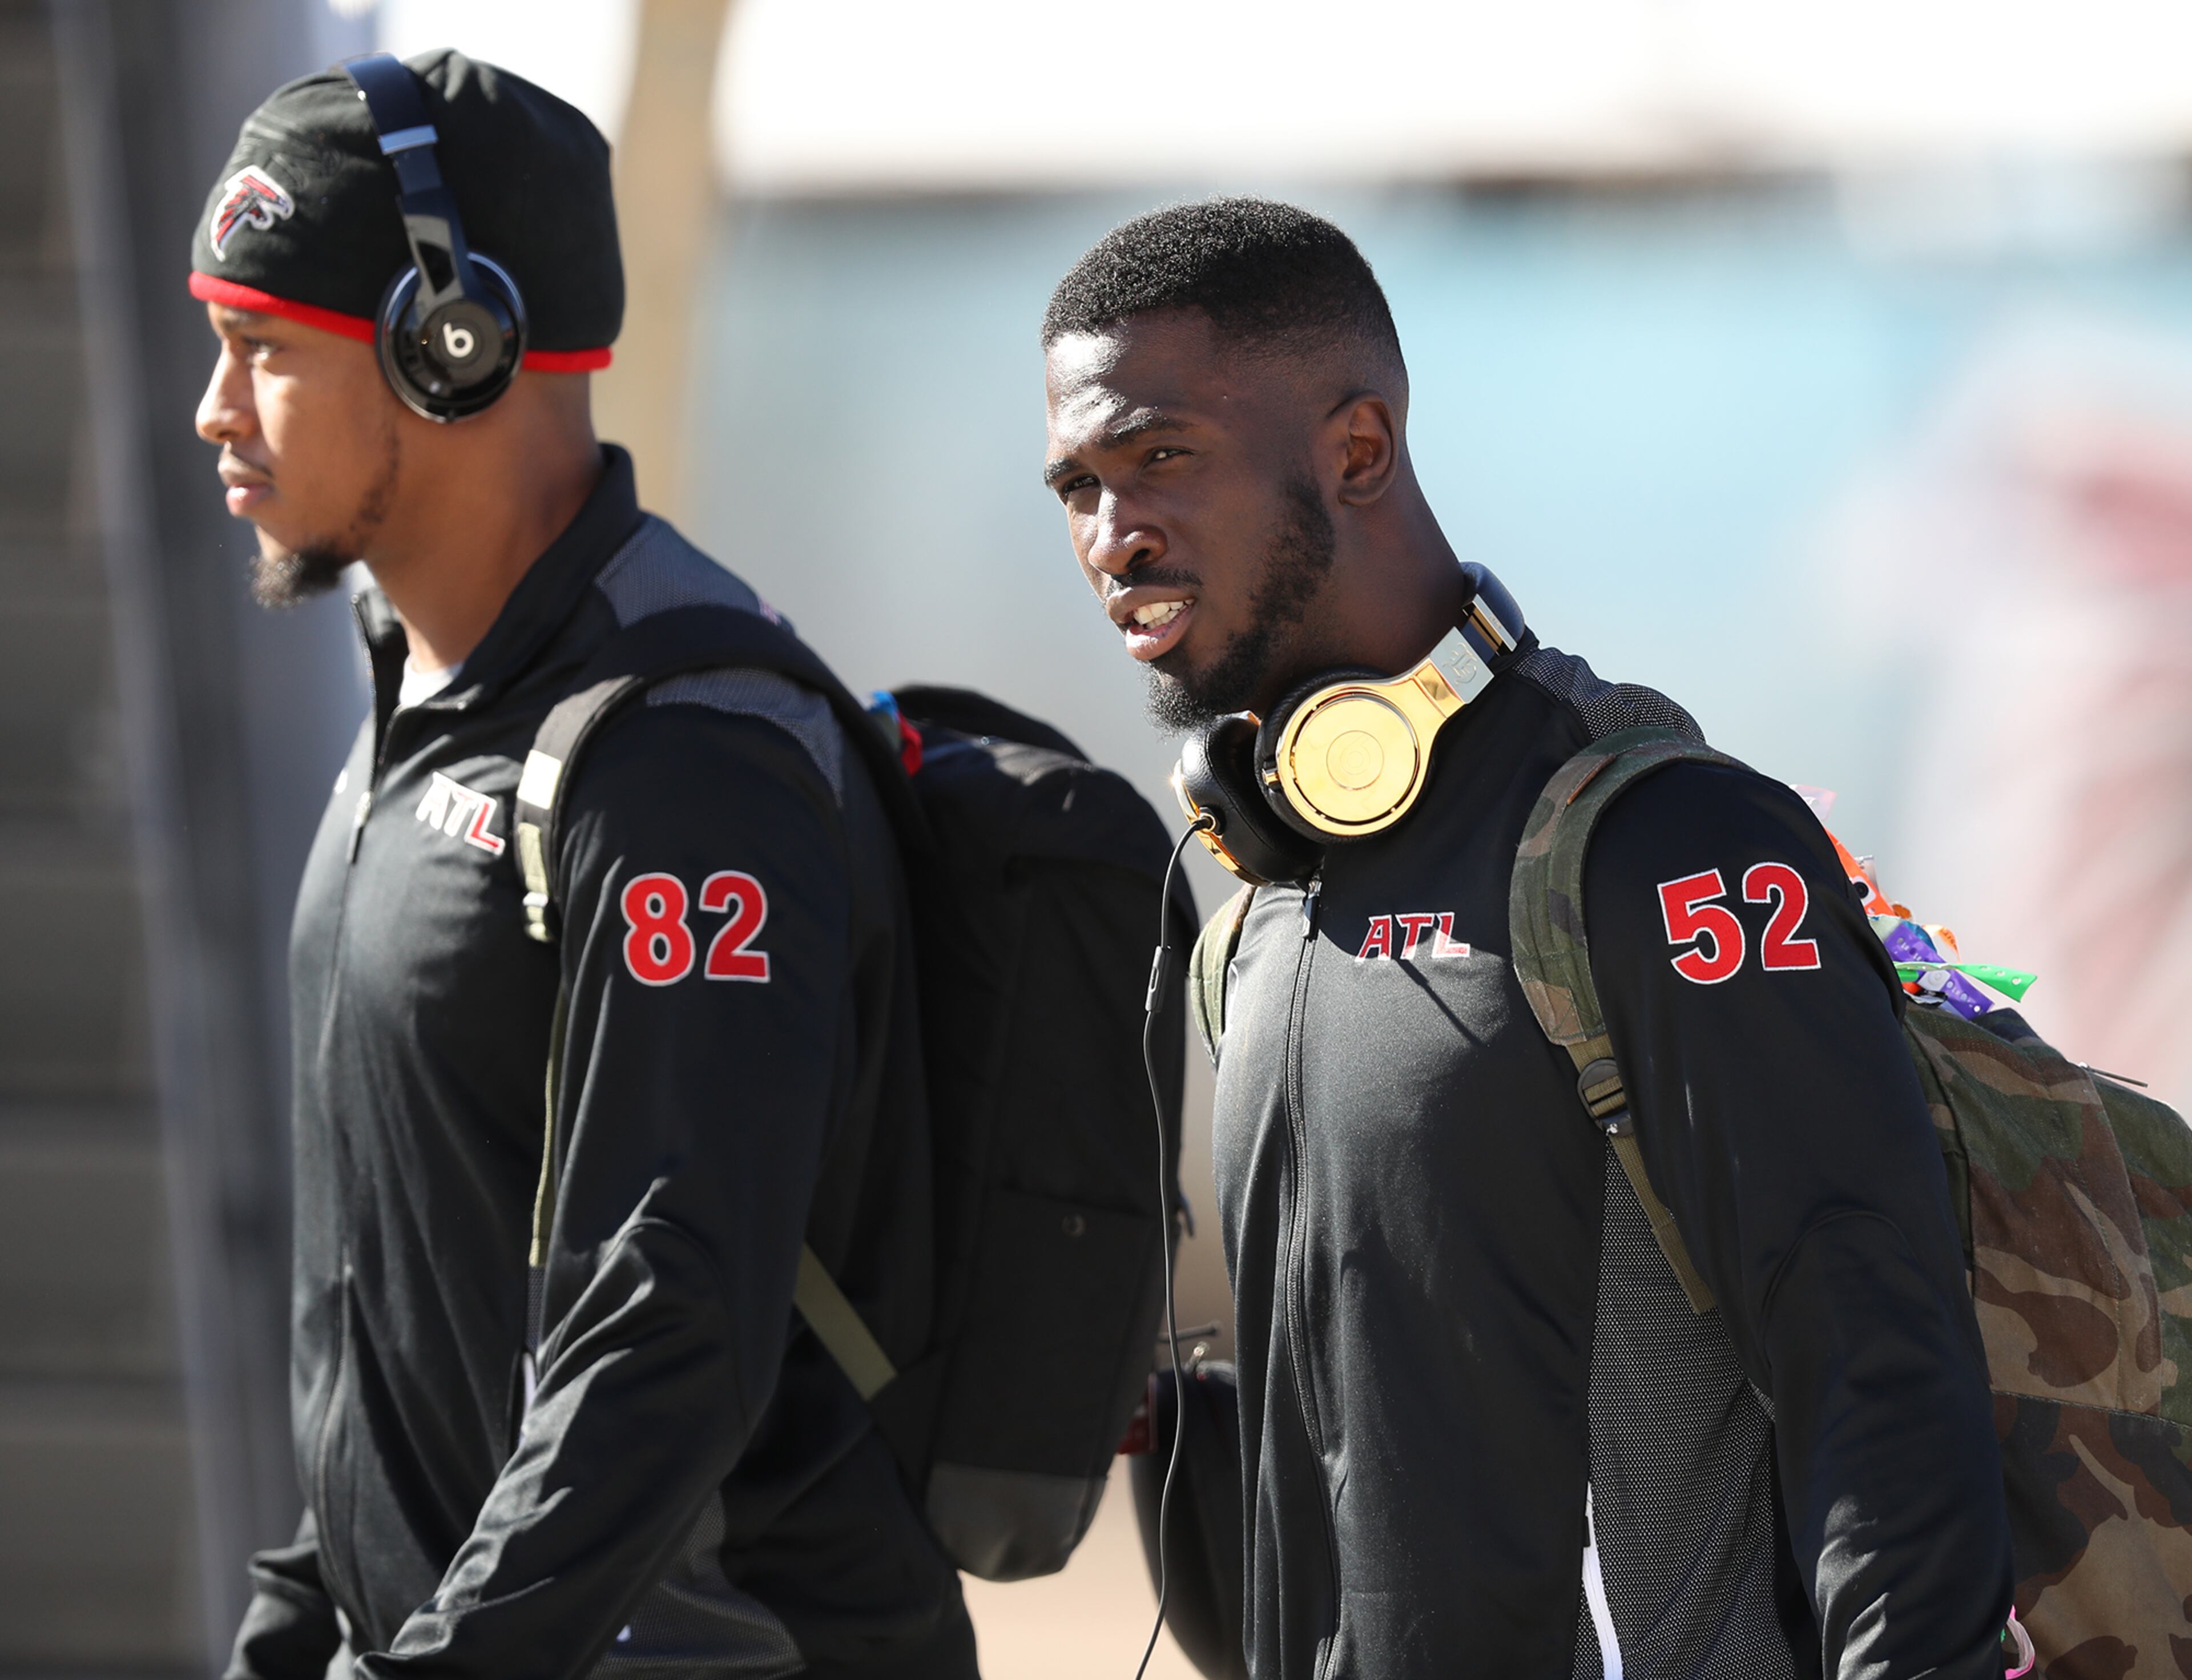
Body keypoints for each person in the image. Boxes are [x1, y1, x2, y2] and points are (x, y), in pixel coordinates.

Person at [1040, 198, 2013, 1679]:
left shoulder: (1652, 850)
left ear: (1356, 451)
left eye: (1160, 457)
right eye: (1078, 486)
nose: (1113, 536)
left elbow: (1882, 1375)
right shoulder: (1262, 909)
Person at [191, 50, 974, 1680]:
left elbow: (664, 1344)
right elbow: (401, 1313)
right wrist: (295, 1622)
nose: (214, 412)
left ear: (451, 346)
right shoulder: (417, 710)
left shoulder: (691, 765)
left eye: (262, 352)